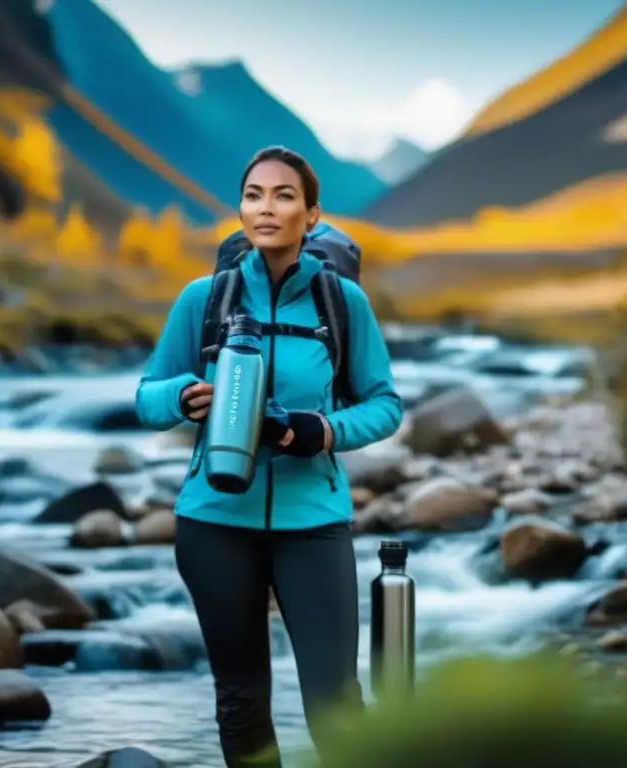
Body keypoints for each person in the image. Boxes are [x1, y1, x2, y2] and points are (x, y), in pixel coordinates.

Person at [135, 145, 403, 767]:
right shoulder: (202, 299)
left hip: (313, 522)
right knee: (241, 697)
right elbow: (147, 399)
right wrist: (184, 396)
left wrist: (319, 431)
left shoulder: (342, 304)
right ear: (240, 209)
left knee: (336, 701)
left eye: (284, 196)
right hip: (214, 521)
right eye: (254, 195)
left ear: (312, 215)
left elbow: (385, 405)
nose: (266, 207)